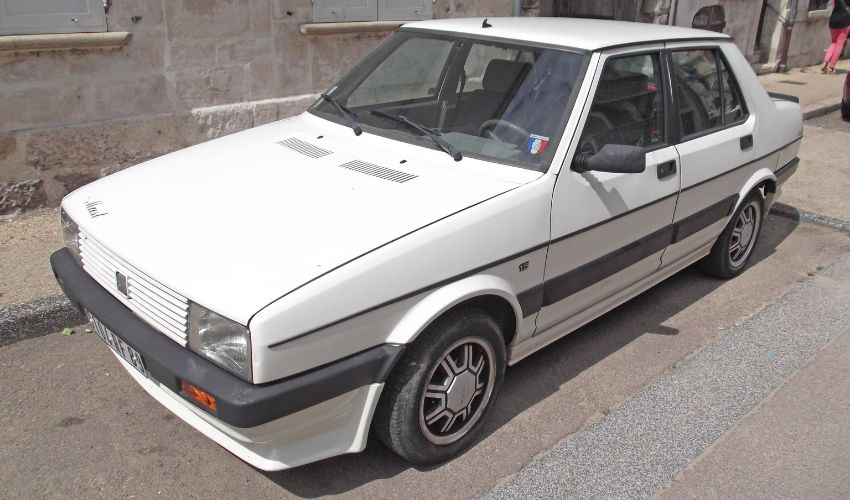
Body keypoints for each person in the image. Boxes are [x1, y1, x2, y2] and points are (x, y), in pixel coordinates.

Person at [822, 0, 850, 74]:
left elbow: (833, 5)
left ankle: (825, 62)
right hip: (845, 21)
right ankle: (831, 67)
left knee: (834, 42)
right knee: (839, 44)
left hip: (833, 19)